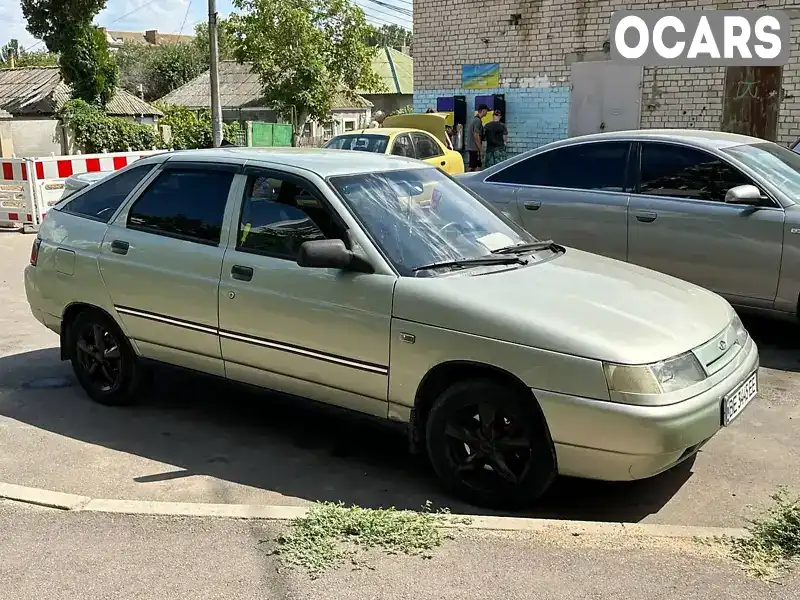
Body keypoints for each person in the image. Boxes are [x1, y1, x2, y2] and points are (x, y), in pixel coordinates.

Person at [466, 104, 488, 171]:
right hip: (475, 148)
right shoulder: (477, 121)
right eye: (486, 111)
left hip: (472, 147)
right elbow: (476, 135)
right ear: (483, 111)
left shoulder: (475, 120)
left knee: (475, 165)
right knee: (475, 167)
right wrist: (481, 149)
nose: (487, 112)